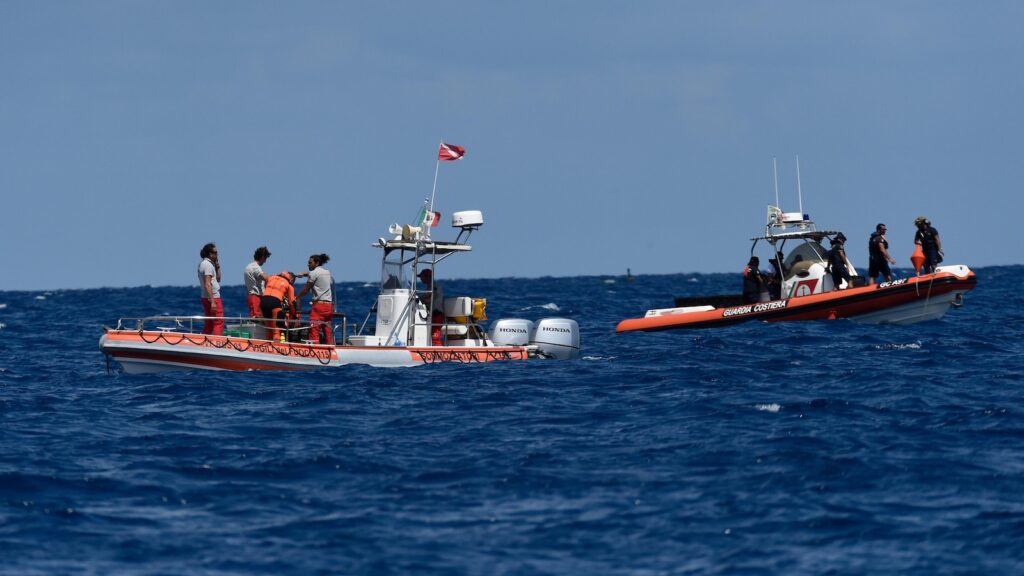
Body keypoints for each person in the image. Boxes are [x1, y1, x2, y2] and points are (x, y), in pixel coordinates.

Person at [297, 253, 335, 345]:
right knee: (327, 330)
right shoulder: (327, 272)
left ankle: (315, 351)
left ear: (316, 263)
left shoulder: (313, 273)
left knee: (314, 330)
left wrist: (297, 297)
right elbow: (313, 274)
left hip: (319, 307)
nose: (308, 264)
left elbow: (306, 289)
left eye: (310, 263)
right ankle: (331, 348)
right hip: (329, 306)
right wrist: (303, 274)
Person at [260, 271, 297, 342]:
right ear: (291, 279)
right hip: (275, 303)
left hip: (263, 302)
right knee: (276, 330)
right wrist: (293, 314)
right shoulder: (289, 285)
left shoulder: (271, 278)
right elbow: (291, 302)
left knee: (268, 328)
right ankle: (277, 347)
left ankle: (267, 347)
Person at [198, 242, 224, 335]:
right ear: (210, 254)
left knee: (209, 322)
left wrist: (217, 265)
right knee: (218, 321)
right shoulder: (207, 265)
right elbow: (207, 283)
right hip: (213, 297)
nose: (217, 254)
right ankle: (217, 343)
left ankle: (206, 340)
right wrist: (212, 301)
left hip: (206, 297)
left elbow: (218, 279)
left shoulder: (206, 264)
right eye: (215, 252)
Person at [418, 268, 444, 346]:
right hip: (432, 314)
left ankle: (440, 354)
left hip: (437, 314)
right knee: (431, 336)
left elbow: (434, 296)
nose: (421, 279)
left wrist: (424, 301)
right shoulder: (429, 286)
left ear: (427, 277)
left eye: (422, 277)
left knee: (435, 337)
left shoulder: (434, 286)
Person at [244, 246, 271, 318]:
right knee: (256, 319)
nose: (265, 261)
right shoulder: (254, 267)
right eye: (265, 258)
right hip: (255, 297)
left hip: (256, 297)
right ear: (262, 257)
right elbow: (267, 278)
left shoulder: (251, 266)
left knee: (259, 319)